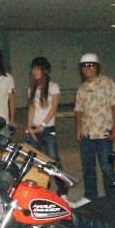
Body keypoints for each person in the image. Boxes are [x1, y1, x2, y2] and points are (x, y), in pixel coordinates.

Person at [73, 53, 115, 206]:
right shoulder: (82, 88)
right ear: (81, 69)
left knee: (107, 167)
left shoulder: (107, 83)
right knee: (88, 167)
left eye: (91, 65)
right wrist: (78, 128)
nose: (88, 68)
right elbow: (78, 110)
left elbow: (114, 105)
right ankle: (90, 196)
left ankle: (112, 199)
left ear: (97, 67)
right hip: (87, 134)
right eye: (85, 66)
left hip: (104, 133)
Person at [25, 57, 69, 200]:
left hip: (48, 128)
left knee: (53, 159)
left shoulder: (53, 86)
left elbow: (54, 108)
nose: (35, 72)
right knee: (33, 160)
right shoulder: (31, 89)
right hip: (33, 129)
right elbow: (31, 109)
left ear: (45, 71)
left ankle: (63, 191)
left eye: (38, 69)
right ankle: (37, 189)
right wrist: (29, 128)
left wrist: (42, 125)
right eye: (33, 69)